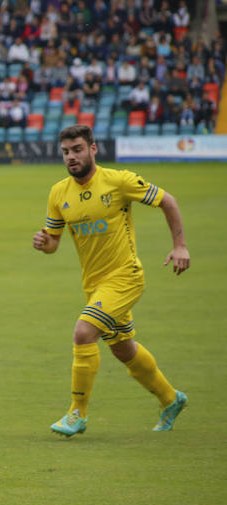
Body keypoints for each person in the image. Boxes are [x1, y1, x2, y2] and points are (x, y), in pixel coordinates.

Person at [32, 125, 190, 437]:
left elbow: (167, 201)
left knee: (84, 332)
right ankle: (171, 399)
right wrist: (44, 243)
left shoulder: (119, 181)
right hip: (94, 284)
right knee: (122, 348)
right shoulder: (58, 193)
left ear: (93, 149)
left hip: (126, 277)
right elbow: (53, 243)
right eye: (66, 152)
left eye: (77, 149)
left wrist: (180, 246)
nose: (71, 157)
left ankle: (76, 413)